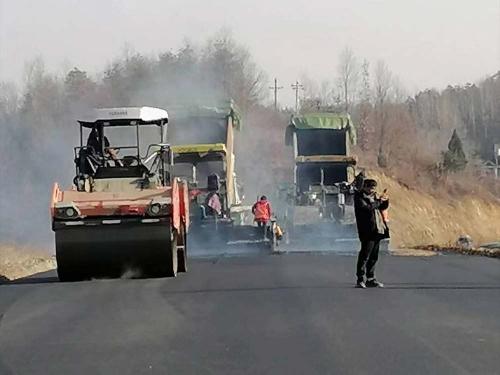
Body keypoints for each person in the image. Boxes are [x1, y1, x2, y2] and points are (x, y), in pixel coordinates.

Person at [354, 179, 389, 289]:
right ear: (364, 187)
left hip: (377, 229)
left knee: (374, 256)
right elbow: (367, 208)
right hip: (366, 230)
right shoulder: (359, 197)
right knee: (365, 255)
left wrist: (385, 201)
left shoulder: (374, 197)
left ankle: (370, 278)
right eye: (369, 188)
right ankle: (360, 278)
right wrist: (378, 202)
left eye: (373, 188)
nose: (371, 190)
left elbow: (381, 207)